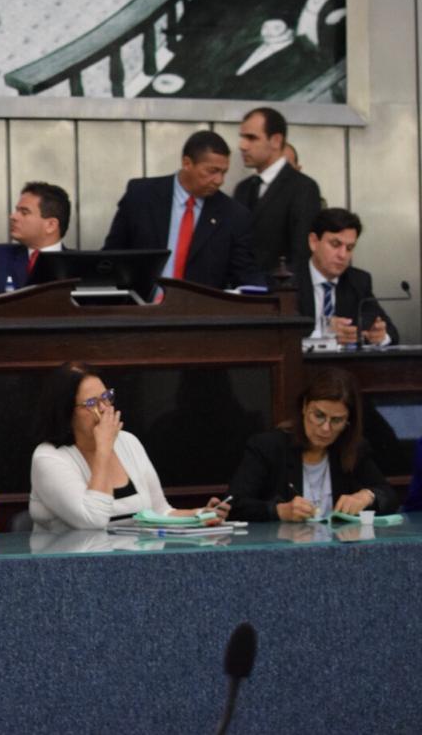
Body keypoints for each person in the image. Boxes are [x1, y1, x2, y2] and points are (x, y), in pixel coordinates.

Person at [28, 362, 230, 530]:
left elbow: (159, 512)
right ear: (65, 413)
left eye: (106, 397)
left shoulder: (127, 441)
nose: (105, 409)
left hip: (136, 562)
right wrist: (104, 449)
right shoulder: (49, 457)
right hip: (73, 570)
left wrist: (199, 515)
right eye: (91, 403)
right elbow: (93, 521)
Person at [229, 368, 399, 521]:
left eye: (337, 420)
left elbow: (390, 497)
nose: (325, 428)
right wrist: (279, 511)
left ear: (348, 421)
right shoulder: (268, 447)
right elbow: (234, 505)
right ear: (304, 407)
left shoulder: (353, 449)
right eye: (318, 415)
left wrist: (367, 496)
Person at [102, 130, 263, 290]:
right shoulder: (141, 196)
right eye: (212, 171)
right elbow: (111, 256)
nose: (219, 180)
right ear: (187, 163)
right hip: (141, 307)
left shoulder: (233, 215)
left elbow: (246, 274)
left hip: (199, 310)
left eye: (223, 172)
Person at [232, 107, 321, 277]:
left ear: (276, 140)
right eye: (242, 138)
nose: (242, 146)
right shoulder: (243, 189)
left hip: (279, 296)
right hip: (238, 295)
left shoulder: (303, 188)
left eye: (251, 138)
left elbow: (301, 255)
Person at [295, 207, 398, 345]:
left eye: (349, 248)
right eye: (335, 244)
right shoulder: (287, 282)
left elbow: (392, 333)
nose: (343, 255)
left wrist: (380, 336)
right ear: (314, 242)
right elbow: (275, 338)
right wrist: (323, 334)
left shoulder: (358, 282)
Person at [0, 181, 70, 295]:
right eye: (17, 210)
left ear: (51, 225)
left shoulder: (77, 265)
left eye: (24, 212)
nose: (13, 216)